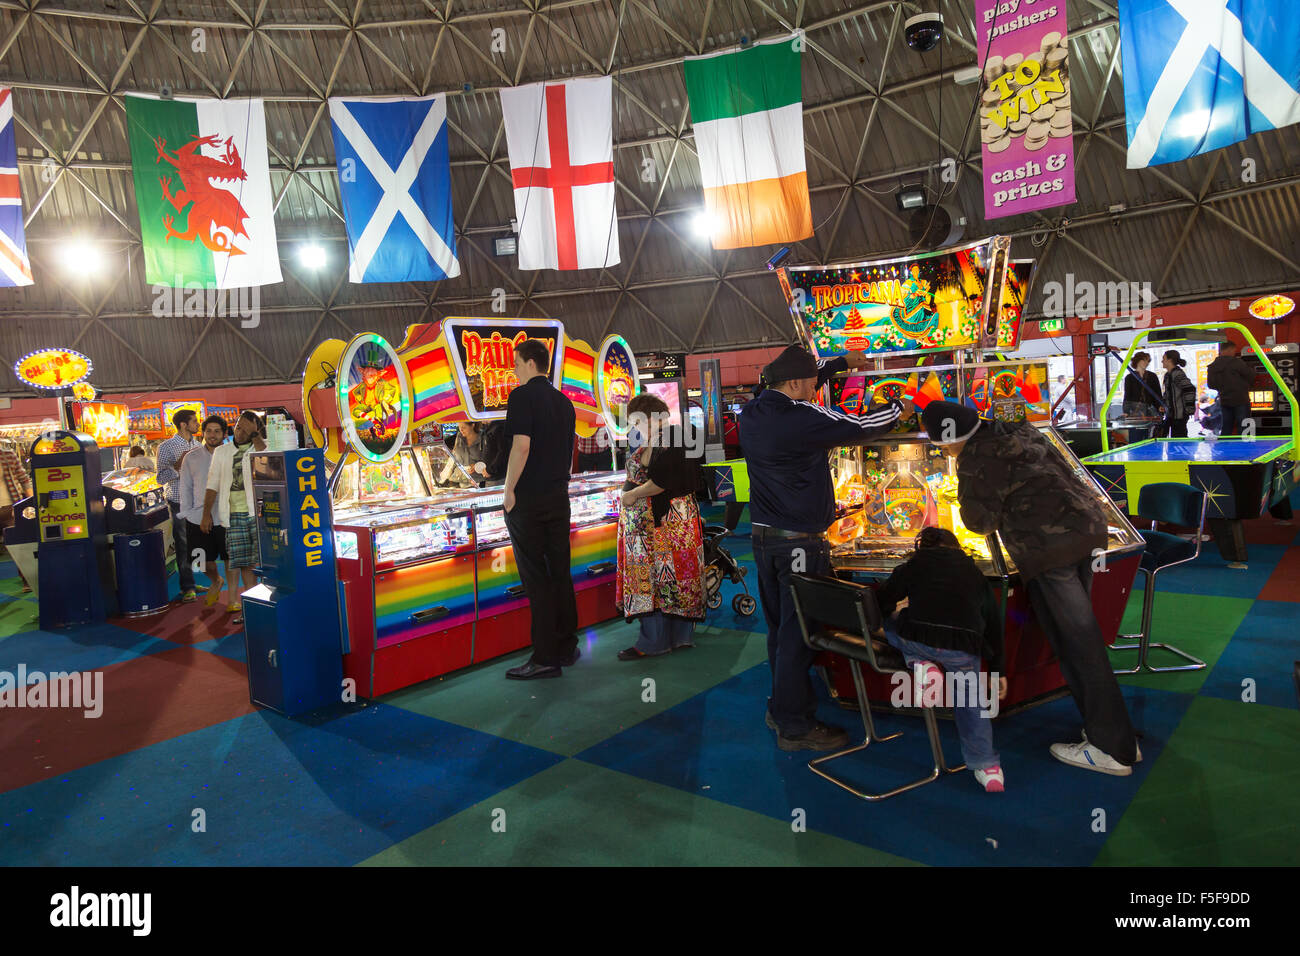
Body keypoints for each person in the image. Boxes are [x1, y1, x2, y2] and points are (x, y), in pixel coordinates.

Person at [921, 401, 1140, 775]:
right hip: (1088, 531)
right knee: (1078, 640)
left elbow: (978, 522)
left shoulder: (975, 458)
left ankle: (1112, 746)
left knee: (1079, 644)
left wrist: (960, 490)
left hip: (1050, 549)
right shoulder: (1016, 429)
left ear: (947, 438)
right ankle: (1114, 736)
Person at [740, 345, 911, 752]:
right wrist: (900, 408)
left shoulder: (753, 410)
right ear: (796, 384)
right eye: (813, 384)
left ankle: (780, 707)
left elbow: (803, 372)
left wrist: (838, 364)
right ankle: (795, 725)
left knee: (780, 630)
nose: (816, 389)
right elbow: (858, 426)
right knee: (801, 633)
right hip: (799, 541)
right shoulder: (802, 417)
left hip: (764, 538)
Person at [874, 526, 1007, 792]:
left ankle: (920, 665)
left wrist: (897, 609)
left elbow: (883, 599)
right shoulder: (975, 573)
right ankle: (989, 769)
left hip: (920, 639)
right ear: (956, 547)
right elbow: (993, 623)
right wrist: (998, 670)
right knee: (971, 704)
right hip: (962, 647)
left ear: (922, 546)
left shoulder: (915, 564)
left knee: (891, 624)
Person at [501, 339, 580, 680]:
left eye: (517, 363)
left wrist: (507, 491)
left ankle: (545, 657)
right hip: (558, 496)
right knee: (560, 572)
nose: (515, 370)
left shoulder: (520, 397)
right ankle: (566, 646)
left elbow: (521, 446)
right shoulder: (564, 402)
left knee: (536, 578)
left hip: (529, 499)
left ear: (531, 363)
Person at [615, 393, 705, 659]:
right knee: (680, 581)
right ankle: (678, 637)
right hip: (679, 520)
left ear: (650, 418)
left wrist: (632, 495)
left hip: (659, 523)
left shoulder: (667, 439)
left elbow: (662, 480)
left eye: (636, 422)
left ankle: (653, 642)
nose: (635, 429)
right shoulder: (682, 434)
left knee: (653, 581)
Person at [201, 410, 266, 625]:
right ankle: (252, 608)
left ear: (255, 431)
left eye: (245, 429)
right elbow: (212, 485)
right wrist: (206, 516)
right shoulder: (221, 452)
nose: (239, 432)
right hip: (233, 515)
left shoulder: (262, 447)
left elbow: (268, 462)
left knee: (261, 562)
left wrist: (255, 436)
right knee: (244, 563)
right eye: (238, 427)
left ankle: (265, 606)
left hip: (259, 513)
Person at [179, 416, 229, 604]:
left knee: (229, 558)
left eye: (217, 431)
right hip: (197, 516)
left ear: (224, 434)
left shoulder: (231, 455)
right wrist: (188, 513)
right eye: (209, 431)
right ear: (203, 433)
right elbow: (185, 486)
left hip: (226, 515)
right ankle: (216, 580)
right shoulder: (192, 457)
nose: (212, 435)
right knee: (201, 560)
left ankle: (233, 597)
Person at [156, 409, 201, 602]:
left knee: (196, 544)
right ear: (183, 424)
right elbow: (160, 478)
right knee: (183, 544)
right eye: (194, 421)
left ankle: (192, 580)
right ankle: (187, 586)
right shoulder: (167, 447)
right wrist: (178, 467)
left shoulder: (198, 445)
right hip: (178, 501)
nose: (198, 424)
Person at [1206, 340, 1255, 435]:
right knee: (1245, 427)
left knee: (1226, 427)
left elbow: (1211, 384)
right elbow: (1250, 375)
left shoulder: (1212, 366)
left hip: (1224, 400)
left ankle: (1225, 447)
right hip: (1241, 399)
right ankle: (1247, 447)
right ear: (1230, 349)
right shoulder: (1237, 363)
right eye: (1234, 350)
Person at [1160, 350, 1197, 438]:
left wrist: (1188, 409)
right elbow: (1168, 393)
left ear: (1170, 360)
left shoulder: (1176, 374)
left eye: (1163, 359)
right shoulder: (1168, 375)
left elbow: (1190, 389)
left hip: (1179, 415)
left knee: (1178, 439)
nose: (1162, 361)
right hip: (1173, 414)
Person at [1122, 351, 1163, 418]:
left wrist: (1159, 406)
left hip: (1150, 410)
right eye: (1144, 360)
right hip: (1136, 411)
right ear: (1137, 361)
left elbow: (1157, 393)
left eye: (1148, 361)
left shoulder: (1152, 376)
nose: (1147, 363)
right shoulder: (1129, 377)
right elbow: (1127, 396)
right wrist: (1126, 412)